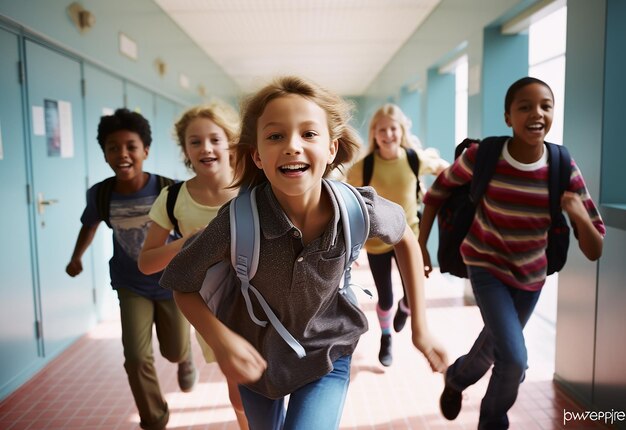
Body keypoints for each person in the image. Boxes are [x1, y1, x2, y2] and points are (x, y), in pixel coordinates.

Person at [160, 76, 448, 430]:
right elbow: (182, 283)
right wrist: (221, 342)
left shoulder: (359, 209)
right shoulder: (235, 222)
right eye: (275, 136)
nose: (292, 146)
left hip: (327, 352)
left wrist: (420, 326)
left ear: (331, 148)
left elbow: (404, 237)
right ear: (258, 156)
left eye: (309, 134)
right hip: (256, 358)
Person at [417, 77, 606, 429]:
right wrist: (421, 246)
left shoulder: (562, 167)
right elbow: (438, 192)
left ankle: (457, 378)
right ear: (508, 117)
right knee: (514, 359)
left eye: (546, 106)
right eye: (525, 106)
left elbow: (595, 249)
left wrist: (579, 213)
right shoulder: (483, 156)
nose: (537, 113)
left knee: (494, 346)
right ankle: (493, 421)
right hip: (485, 266)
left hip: (531, 276)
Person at [65, 108, 197, 430]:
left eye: (131, 147)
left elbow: (190, 231)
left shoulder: (169, 190)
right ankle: (155, 419)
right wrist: (76, 257)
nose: (122, 154)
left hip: (171, 282)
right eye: (113, 148)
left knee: (173, 350)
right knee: (136, 358)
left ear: (145, 151)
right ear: (105, 154)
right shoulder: (102, 193)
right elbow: (89, 226)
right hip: (130, 284)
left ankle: (184, 357)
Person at [137, 102, 248, 429]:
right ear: (185, 150)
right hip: (212, 307)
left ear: (230, 142)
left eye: (215, 139)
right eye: (195, 141)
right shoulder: (173, 198)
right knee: (240, 390)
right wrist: (185, 244)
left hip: (266, 298)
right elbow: (146, 262)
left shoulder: (256, 189)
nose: (206, 148)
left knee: (276, 379)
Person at [346, 103, 448, 367]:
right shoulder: (363, 167)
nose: (388, 134)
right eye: (382, 130)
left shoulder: (413, 158)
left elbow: (441, 167)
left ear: (401, 131)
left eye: (393, 128)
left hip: (409, 240)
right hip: (377, 242)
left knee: (412, 298)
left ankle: (405, 310)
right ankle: (386, 335)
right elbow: (348, 202)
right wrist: (351, 245)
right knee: (386, 297)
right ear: (374, 133)